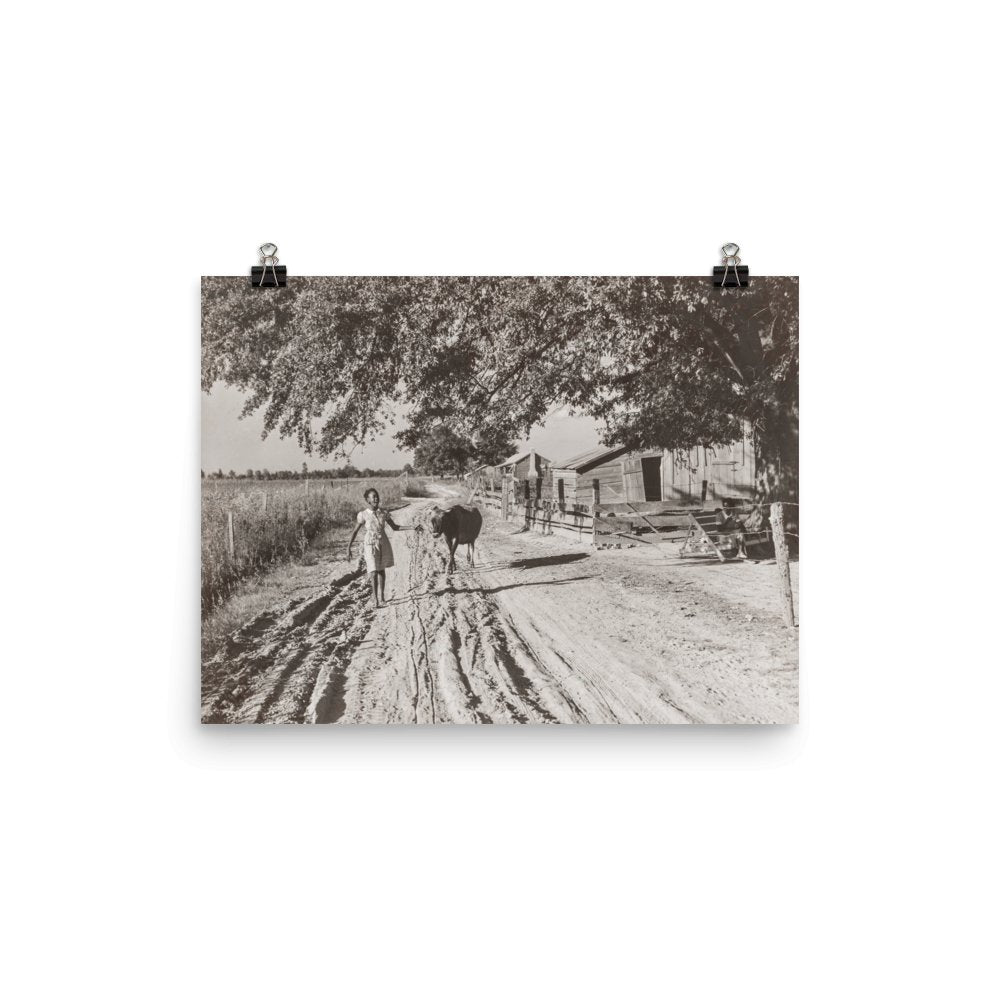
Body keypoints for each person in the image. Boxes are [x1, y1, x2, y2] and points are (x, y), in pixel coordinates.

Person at [346, 488, 412, 608]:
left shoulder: (383, 513)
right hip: (370, 543)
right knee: (373, 570)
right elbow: (355, 531)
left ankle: (382, 597)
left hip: (383, 542)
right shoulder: (363, 515)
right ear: (368, 500)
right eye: (373, 497)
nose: (376, 498)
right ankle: (375, 599)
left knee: (381, 569)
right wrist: (348, 547)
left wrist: (412, 527)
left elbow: (395, 527)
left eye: (377, 496)